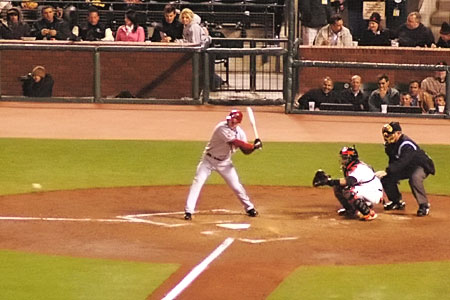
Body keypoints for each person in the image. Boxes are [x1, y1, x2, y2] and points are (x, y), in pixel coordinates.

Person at [184, 110, 262, 220]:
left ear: (237, 122)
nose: (230, 122)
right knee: (198, 182)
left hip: (225, 163)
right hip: (208, 160)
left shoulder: (240, 133)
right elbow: (236, 143)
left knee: (236, 186)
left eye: (233, 121)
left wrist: (253, 148)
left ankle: (249, 208)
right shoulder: (221, 128)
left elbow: (245, 151)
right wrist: (254, 146)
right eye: (230, 120)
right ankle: (188, 211)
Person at [375, 122, 435, 216]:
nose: (387, 137)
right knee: (387, 178)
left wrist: (388, 171)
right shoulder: (390, 144)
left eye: (390, 134)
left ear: (398, 133)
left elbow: (403, 161)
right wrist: (391, 174)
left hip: (422, 165)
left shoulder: (407, 145)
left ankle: (424, 205)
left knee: (414, 178)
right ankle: (396, 202)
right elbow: (393, 161)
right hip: (407, 166)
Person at [312, 146, 381, 221]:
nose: (342, 160)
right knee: (338, 187)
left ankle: (368, 213)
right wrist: (331, 182)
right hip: (365, 187)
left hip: (373, 192)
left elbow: (349, 181)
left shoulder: (359, 168)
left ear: (351, 158)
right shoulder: (350, 166)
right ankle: (351, 210)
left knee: (349, 191)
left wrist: (328, 181)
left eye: (345, 158)